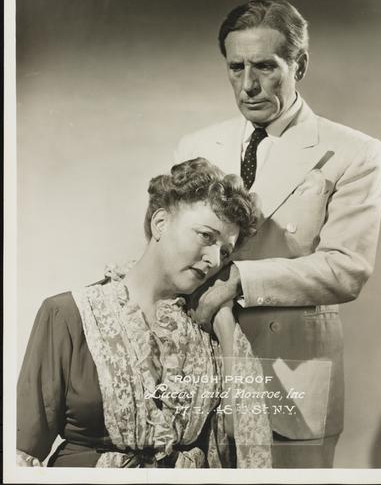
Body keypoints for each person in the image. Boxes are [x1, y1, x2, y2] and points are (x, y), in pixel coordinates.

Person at [175, 0, 381, 468]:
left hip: (289, 370)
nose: (248, 85)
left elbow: (347, 269)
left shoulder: (353, 151)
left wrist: (238, 281)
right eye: (236, 68)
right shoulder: (195, 145)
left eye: (265, 67)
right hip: (203, 363)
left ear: (299, 66)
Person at [16, 158, 273, 468]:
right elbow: (21, 453)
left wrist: (226, 326)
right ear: (160, 223)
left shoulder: (207, 332)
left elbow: (237, 435)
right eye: (206, 236)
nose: (214, 260)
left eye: (224, 251)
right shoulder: (68, 314)